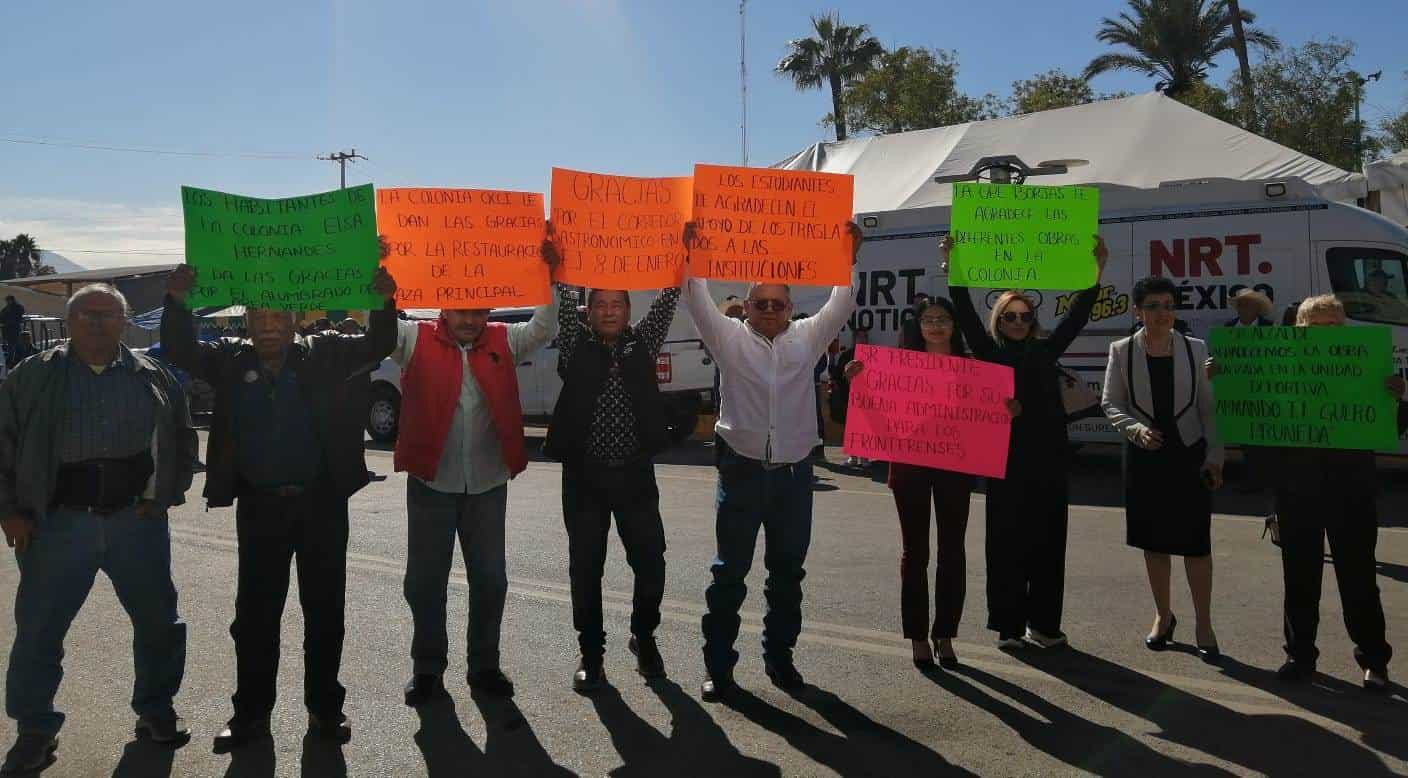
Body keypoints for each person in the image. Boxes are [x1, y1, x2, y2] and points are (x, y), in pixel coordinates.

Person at [161, 264, 399, 751]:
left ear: (294, 321)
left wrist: (383, 300)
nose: (269, 325)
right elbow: (181, 350)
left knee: (326, 614)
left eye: (278, 317)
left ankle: (325, 712)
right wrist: (176, 302)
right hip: (260, 510)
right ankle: (249, 716)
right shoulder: (229, 360)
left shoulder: (327, 353)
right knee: (254, 620)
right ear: (246, 320)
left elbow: (377, 345)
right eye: (259, 317)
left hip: (322, 507)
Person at [1, 284, 197, 774]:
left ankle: (155, 710)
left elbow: (182, 437)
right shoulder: (32, 377)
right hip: (57, 523)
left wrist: (165, 496)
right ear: (68, 322)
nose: (96, 323)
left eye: (107, 315)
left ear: (125, 322)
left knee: (159, 624)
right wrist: (9, 510)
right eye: (85, 314)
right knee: (40, 630)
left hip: (137, 521)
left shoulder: (151, 376)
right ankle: (34, 730)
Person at [684, 220, 863, 701]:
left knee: (787, 576)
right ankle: (719, 670)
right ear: (747, 307)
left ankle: (780, 661)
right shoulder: (727, 339)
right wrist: (692, 256)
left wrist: (847, 256)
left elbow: (841, 301)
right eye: (759, 303)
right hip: (740, 475)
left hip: (792, 479)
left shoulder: (806, 338)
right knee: (728, 575)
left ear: (790, 307)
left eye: (777, 303)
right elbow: (696, 302)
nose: (768, 311)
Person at [395, 237, 559, 707]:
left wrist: (548, 274)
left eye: (478, 311)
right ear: (442, 307)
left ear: (489, 311)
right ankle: (427, 669)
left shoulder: (504, 341)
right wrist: (378, 284)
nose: (469, 320)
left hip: (488, 485)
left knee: (491, 581)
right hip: (431, 484)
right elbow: (379, 328)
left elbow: (545, 325)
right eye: (460, 310)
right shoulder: (414, 339)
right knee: (424, 583)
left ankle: (484, 666)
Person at [942, 232, 1108, 649]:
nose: (1017, 322)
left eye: (1024, 316)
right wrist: (954, 264)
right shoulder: (987, 351)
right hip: (1006, 463)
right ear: (998, 320)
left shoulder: (1046, 350)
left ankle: (1045, 625)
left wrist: (1095, 269)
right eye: (1009, 316)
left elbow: (1077, 317)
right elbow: (963, 312)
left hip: (1049, 460)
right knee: (1005, 542)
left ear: (1033, 320)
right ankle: (1010, 626)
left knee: (1050, 543)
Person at [843, 298, 1019, 669]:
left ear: (955, 326)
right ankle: (918, 636)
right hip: (910, 467)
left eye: (943, 319)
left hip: (955, 467)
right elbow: (872, 414)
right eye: (928, 320)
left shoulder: (973, 369)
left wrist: (1008, 411)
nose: (936, 325)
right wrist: (855, 379)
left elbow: (988, 416)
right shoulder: (896, 368)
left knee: (952, 551)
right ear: (917, 326)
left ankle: (945, 634)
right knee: (915, 552)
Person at [544, 280, 680, 692]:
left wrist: (681, 258)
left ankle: (644, 636)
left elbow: (668, 297)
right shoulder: (574, 345)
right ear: (588, 311)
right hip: (585, 477)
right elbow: (563, 298)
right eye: (599, 304)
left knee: (651, 559)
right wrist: (559, 265)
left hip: (635, 475)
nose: (607, 311)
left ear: (627, 308)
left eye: (616, 304)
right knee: (586, 568)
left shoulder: (642, 342)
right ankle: (591, 652)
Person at [1264, 295, 1404, 690]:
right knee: (1300, 579)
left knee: (1359, 580)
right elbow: (1255, 425)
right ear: (1299, 331)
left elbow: (1392, 428)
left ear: (1344, 329)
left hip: (1352, 491)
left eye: (1333, 325)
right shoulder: (1278, 372)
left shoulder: (1368, 367)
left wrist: (1398, 396)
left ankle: (1374, 660)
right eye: (1316, 326)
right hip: (1297, 492)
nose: (1326, 333)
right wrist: (1224, 377)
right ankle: (1299, 655)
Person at [1102, 276, 1225, 659]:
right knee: (1154, 543)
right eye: (1153, 306)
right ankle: (1163, 615)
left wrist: (1214, 458)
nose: (1162, 313)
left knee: (1195, 544)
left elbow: (1208, 409)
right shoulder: (1121, 350)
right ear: (1138, 312)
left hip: (1188, 455)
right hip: (1144, 457)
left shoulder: (1195, 349)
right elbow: (1111, 403)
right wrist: (1136, 430)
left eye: (1168, 305)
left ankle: (1204, 622)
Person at [831, 326, 870, 469]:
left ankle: (865, 458)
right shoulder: (846, 355)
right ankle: (853, 457)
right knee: (851, 429)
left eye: (864, 337)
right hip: (850, 398)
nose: (861, 339)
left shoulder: (873, 355)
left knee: (866, 429)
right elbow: (837, 377)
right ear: (854, 339)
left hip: (868, 400)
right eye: (859, 337)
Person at [0, 295, 23, 369]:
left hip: (14, 330)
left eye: (8, 300)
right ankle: (11, 361)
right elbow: (1, 317)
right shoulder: (6, 309)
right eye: (7, 301)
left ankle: (12, 361)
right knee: (10, 347)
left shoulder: (17, 307)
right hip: (7, 331)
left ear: (12, 300)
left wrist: (9, 321)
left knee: (14, 346)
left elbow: (19, 316)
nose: (7, 302)